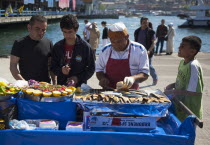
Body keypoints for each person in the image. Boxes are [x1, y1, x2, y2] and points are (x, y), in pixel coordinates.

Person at [96, 22, 149, 90]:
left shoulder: (139, 50)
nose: (116, 45)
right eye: (113, 42)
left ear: (127, 37)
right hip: (109, 90)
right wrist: (102, 78)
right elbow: (99, 70)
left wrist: (133, 78)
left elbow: (145, 74)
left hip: (131, 92)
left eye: (119, 41)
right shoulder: (105, 50)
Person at [164, 35, 204, 121]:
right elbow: (183, 82)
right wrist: (172, 85)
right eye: (180, 45)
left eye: (183, 46)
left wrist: (173, 91)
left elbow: (193, 92)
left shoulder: (193, 66)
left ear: (192, 51)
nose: (179, 47)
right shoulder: (182, 62)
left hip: (190, 110)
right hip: (181, 106)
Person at [50, 14, 95, 87]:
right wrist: (61, 70)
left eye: (70, 32)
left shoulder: (86, 47)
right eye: (65, 32)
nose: (67, 35)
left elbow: (91, 69)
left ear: (76, 30)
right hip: (62, 87)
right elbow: (53, 67)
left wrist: (77, 78)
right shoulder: (57, 47)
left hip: (80, 87)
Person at [10, 15, 55, 83]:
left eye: (43, 30)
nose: (41, 33)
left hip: (45, 86)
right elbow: (13, 66)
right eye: (37, 29)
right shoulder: (19, 43)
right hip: (27, 86)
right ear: (29, 27)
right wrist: (24, 83)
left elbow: (52, 66)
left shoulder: (49, 43)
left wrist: (55, 83)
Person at [134, 17, 158, 85]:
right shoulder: (137, 31)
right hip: (139, 52)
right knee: (137, 66)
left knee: (149, 66)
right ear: (141, 23)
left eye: (147, 22)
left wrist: (149, 50)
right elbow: (135, 41)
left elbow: (154, 42)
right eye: (144, 22)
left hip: (148, 52)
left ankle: (155, 78)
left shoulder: (151, 32)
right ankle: (136, 80)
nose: (146, 24)